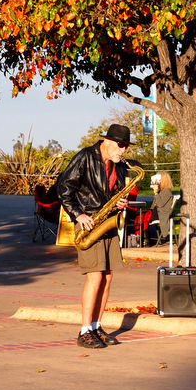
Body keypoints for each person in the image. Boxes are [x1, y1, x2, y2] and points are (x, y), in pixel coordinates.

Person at [56, 124, 135, 349]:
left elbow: (115, 192)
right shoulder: (85, 157)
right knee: (95, 276)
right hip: (88, 223)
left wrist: (120, 203)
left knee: (108, 276)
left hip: (107, 222)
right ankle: (84, 331)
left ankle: (96, 325)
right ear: (107, 141)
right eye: (120, 145)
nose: (123, 151)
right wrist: (78, 214)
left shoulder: (119, 166)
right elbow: (63, 188)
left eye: (126, 147)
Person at [148, 171, 175, 244]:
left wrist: (156, 193)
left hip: (160, 214)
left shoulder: (166, 192)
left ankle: (145, 240)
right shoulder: (162, 191)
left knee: (142, 219)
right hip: (156, 213)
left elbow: (160, 204)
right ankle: (145, 239)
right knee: (139, 217)